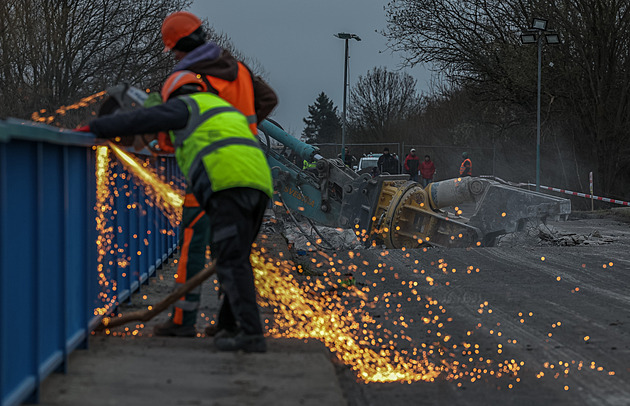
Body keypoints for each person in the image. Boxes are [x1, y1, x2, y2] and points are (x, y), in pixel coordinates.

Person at [80, 72, 273, 353]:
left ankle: (252, 335)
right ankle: (230, 325)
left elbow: (140, 120)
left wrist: (96, 127)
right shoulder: (217, 107)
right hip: (259, 183)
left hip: (229, 184)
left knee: (231, 261)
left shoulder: (186, 106)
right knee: (233, 258)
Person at [155, 11, 277, 339]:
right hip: (246, 169)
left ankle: (183, 320)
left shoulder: (194, 76)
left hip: (213, 172)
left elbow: (180, 119)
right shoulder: (236, 68)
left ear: (180, 47)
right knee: (231, 253)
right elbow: (269, 98)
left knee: (193, 246)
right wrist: (243, 125)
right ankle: (229, 323)